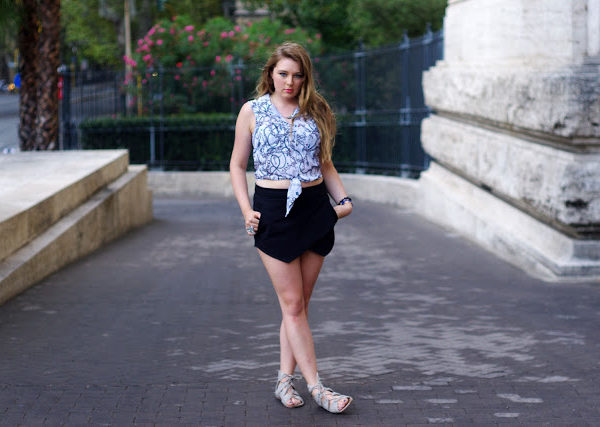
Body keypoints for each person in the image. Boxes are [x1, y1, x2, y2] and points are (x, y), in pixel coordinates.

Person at [229, 42, 354, 413]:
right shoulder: (252, 110)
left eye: (297, 75)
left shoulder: (317, 109)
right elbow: (237, 165)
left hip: (315, 210)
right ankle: (318, 388)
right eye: (283, 73)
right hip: (273, 213)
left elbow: (325, 163)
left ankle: (284, 380)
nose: (289, 81)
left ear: (305, 78)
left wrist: (344, 201)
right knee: (293, 304)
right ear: (270, 73)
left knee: (298, 306)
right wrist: (246, 210)